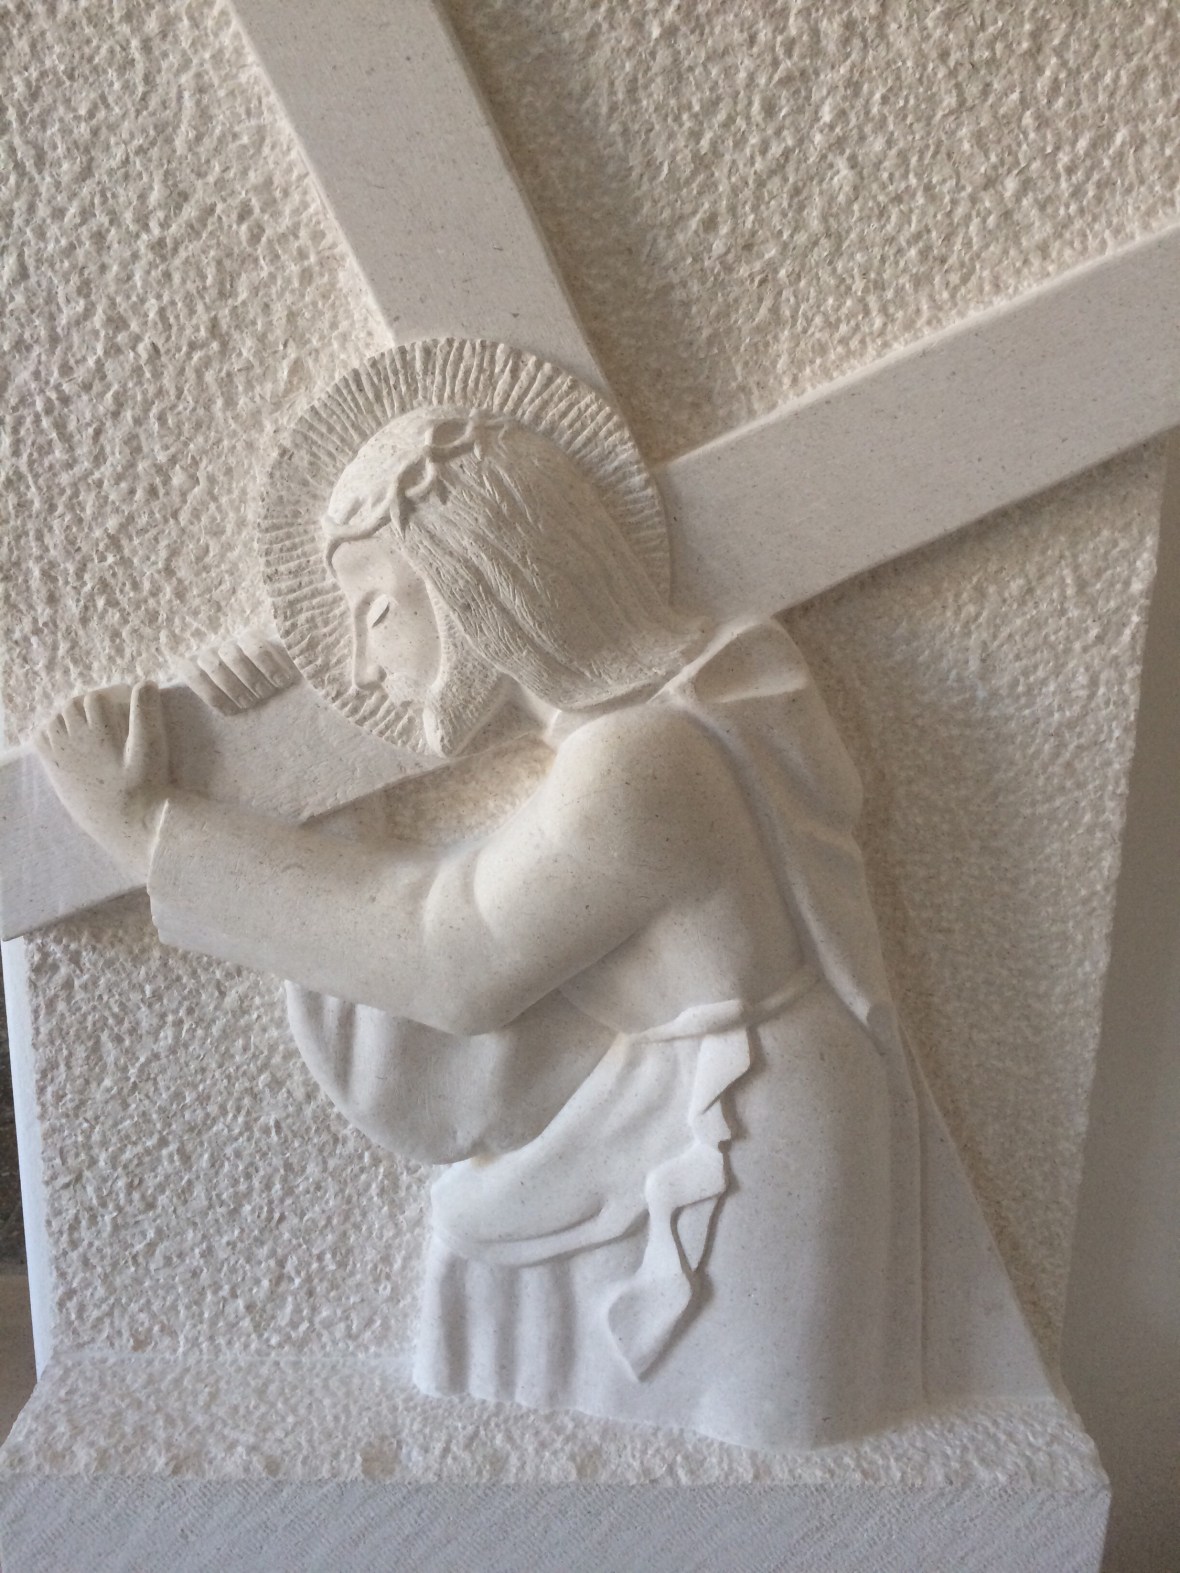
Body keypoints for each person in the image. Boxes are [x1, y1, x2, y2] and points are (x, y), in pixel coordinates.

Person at [35, 394, 1046, 1451]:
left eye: (375, 610)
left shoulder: (638, 762)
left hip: (746, 1141)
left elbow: (447, 955)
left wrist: (147, 830)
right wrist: (284, 748)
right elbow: (446, 913)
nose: (365, 664)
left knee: (751, 1468)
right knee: (488, 1250)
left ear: (474, 583)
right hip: (699, 1105)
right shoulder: (642, 734)